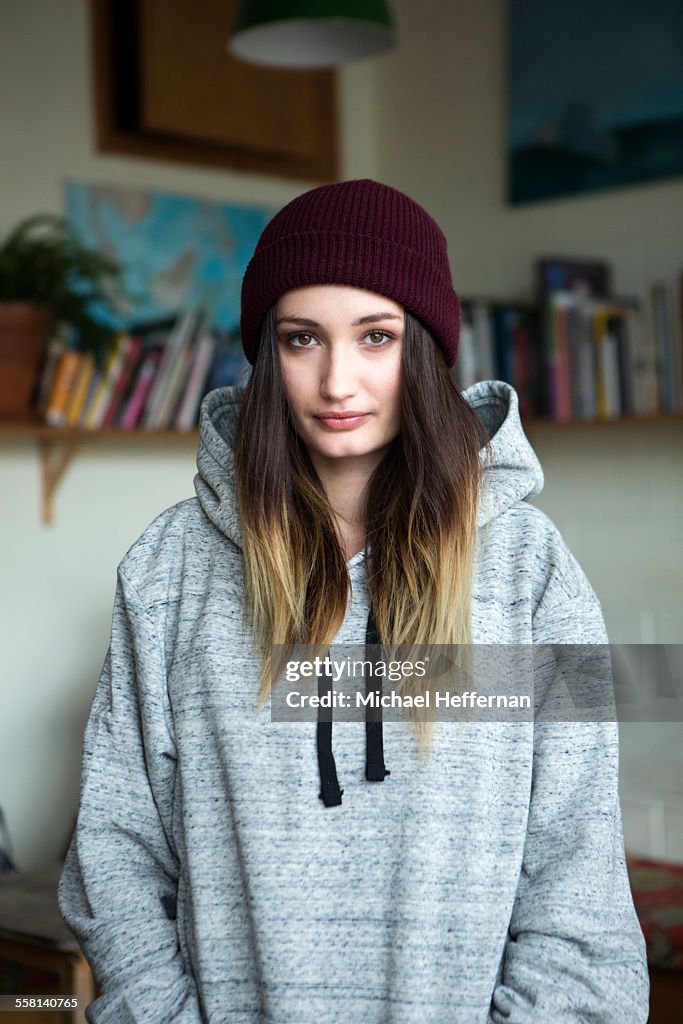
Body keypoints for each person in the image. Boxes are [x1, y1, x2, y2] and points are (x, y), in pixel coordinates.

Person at [58, 178, 649, 1023]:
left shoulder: (531, 569)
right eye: (303, 339)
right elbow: (115, 853)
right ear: (268, 355)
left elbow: (576, 875)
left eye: (376, 336)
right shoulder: (169, 569)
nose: (338, 380)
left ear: (425, 352)